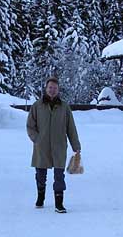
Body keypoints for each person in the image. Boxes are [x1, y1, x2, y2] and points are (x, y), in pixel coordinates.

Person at [26, 77, 81, 213]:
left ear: (58, 90)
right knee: (40, 175)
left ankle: (59, 203)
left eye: (55, 88)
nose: (52, 90)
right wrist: (37, 139)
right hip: (41, 147)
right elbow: (30, 126)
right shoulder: (37, 106)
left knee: (59, 176)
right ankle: (40, 197)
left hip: (59, 146)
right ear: (46, 88)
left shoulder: (64, 107)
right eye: (50, 87)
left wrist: (76, 145)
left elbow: (71, 128)